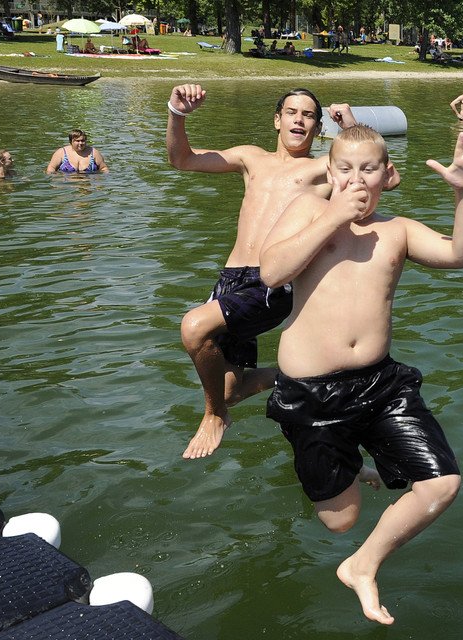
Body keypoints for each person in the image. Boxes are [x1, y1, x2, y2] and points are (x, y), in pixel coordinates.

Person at [258, 126, 463, 624]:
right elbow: (272, 272)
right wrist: (334, 216)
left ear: (387, 175)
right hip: (311, 393)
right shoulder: (307, 210)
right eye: (345, 169)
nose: (356, 179)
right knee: (342, 521)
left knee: (441, 483)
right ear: (330, 172)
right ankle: (357, 469)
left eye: (368, 169)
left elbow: (462, 255)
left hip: (380, 384)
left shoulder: (398, 230)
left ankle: (362, 566)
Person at [165, 83, 401, 460]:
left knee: (194, 327)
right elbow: (182, 159)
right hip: (231, 280)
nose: (299, 120)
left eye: (308, 115)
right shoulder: (250, 157)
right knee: (229, 389)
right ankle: (307, 374)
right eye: (292, 112)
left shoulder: (323, 167)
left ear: (318, 127)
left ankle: (214, 416)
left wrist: (351, 128)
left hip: (274, 280)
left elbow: (389, 178)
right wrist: (177, 113)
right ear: (277, 120)